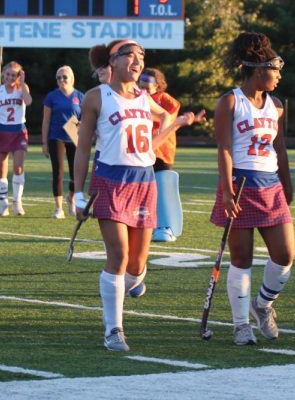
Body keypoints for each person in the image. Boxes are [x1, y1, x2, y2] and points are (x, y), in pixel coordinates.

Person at [72, 39, 202, 351]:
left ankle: (125, 288)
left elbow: (166, 116)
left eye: (141, 56)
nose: (137, 61)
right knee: (117, 255)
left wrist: (158, 139)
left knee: (137, 265)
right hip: (110, 180)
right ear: (112, 62)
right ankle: (113, 329)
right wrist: (77, 192)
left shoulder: (145, 99)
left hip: (144, 182)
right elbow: (83, 147)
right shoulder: (96, 97)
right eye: (129, 55)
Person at [210, 32, 295, 346]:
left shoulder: (276, 105)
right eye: (276, 70)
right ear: (260, 70)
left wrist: (287, 184)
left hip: (270, 185)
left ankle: (263, 304)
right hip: (240, 184)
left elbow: (281, 148)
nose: (279, 76)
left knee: (285, 255)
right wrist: (227, 191)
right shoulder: (230, 101)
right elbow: (224, 149)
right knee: (242, 259)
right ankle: (240, 324)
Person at [42, 66, 84, 218]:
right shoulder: (51, 97)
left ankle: (71, 199)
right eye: (58, 77)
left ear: (72, 78)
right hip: (56, 136)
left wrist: (81, 125)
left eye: (64, 77)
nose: (61, 80)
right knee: (58, 172)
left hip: (74, 137)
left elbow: (86, 118)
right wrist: (44, 142)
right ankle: (58, 208)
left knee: (76, 173)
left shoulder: (80, 96)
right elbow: (46, 120)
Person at [0, 61, 32, 217]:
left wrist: (22, 84)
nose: (10, 77)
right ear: (3, 74)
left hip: (18, 130)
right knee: (1, 169)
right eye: (7, 74)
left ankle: (17, 202)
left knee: (18, 168)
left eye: (13, 75)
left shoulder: (22, 88)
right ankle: (3, 204)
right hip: (2, 130)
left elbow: (28, 102)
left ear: (19, 75)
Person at [139, 68, 181, 172]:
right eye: (141, 88)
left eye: (147, 88)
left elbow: (169, 118)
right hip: (143, 148)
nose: (144, 91)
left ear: (156, 86)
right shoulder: (137, 97)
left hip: (162, 151)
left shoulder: (165, 99)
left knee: (161, 184)